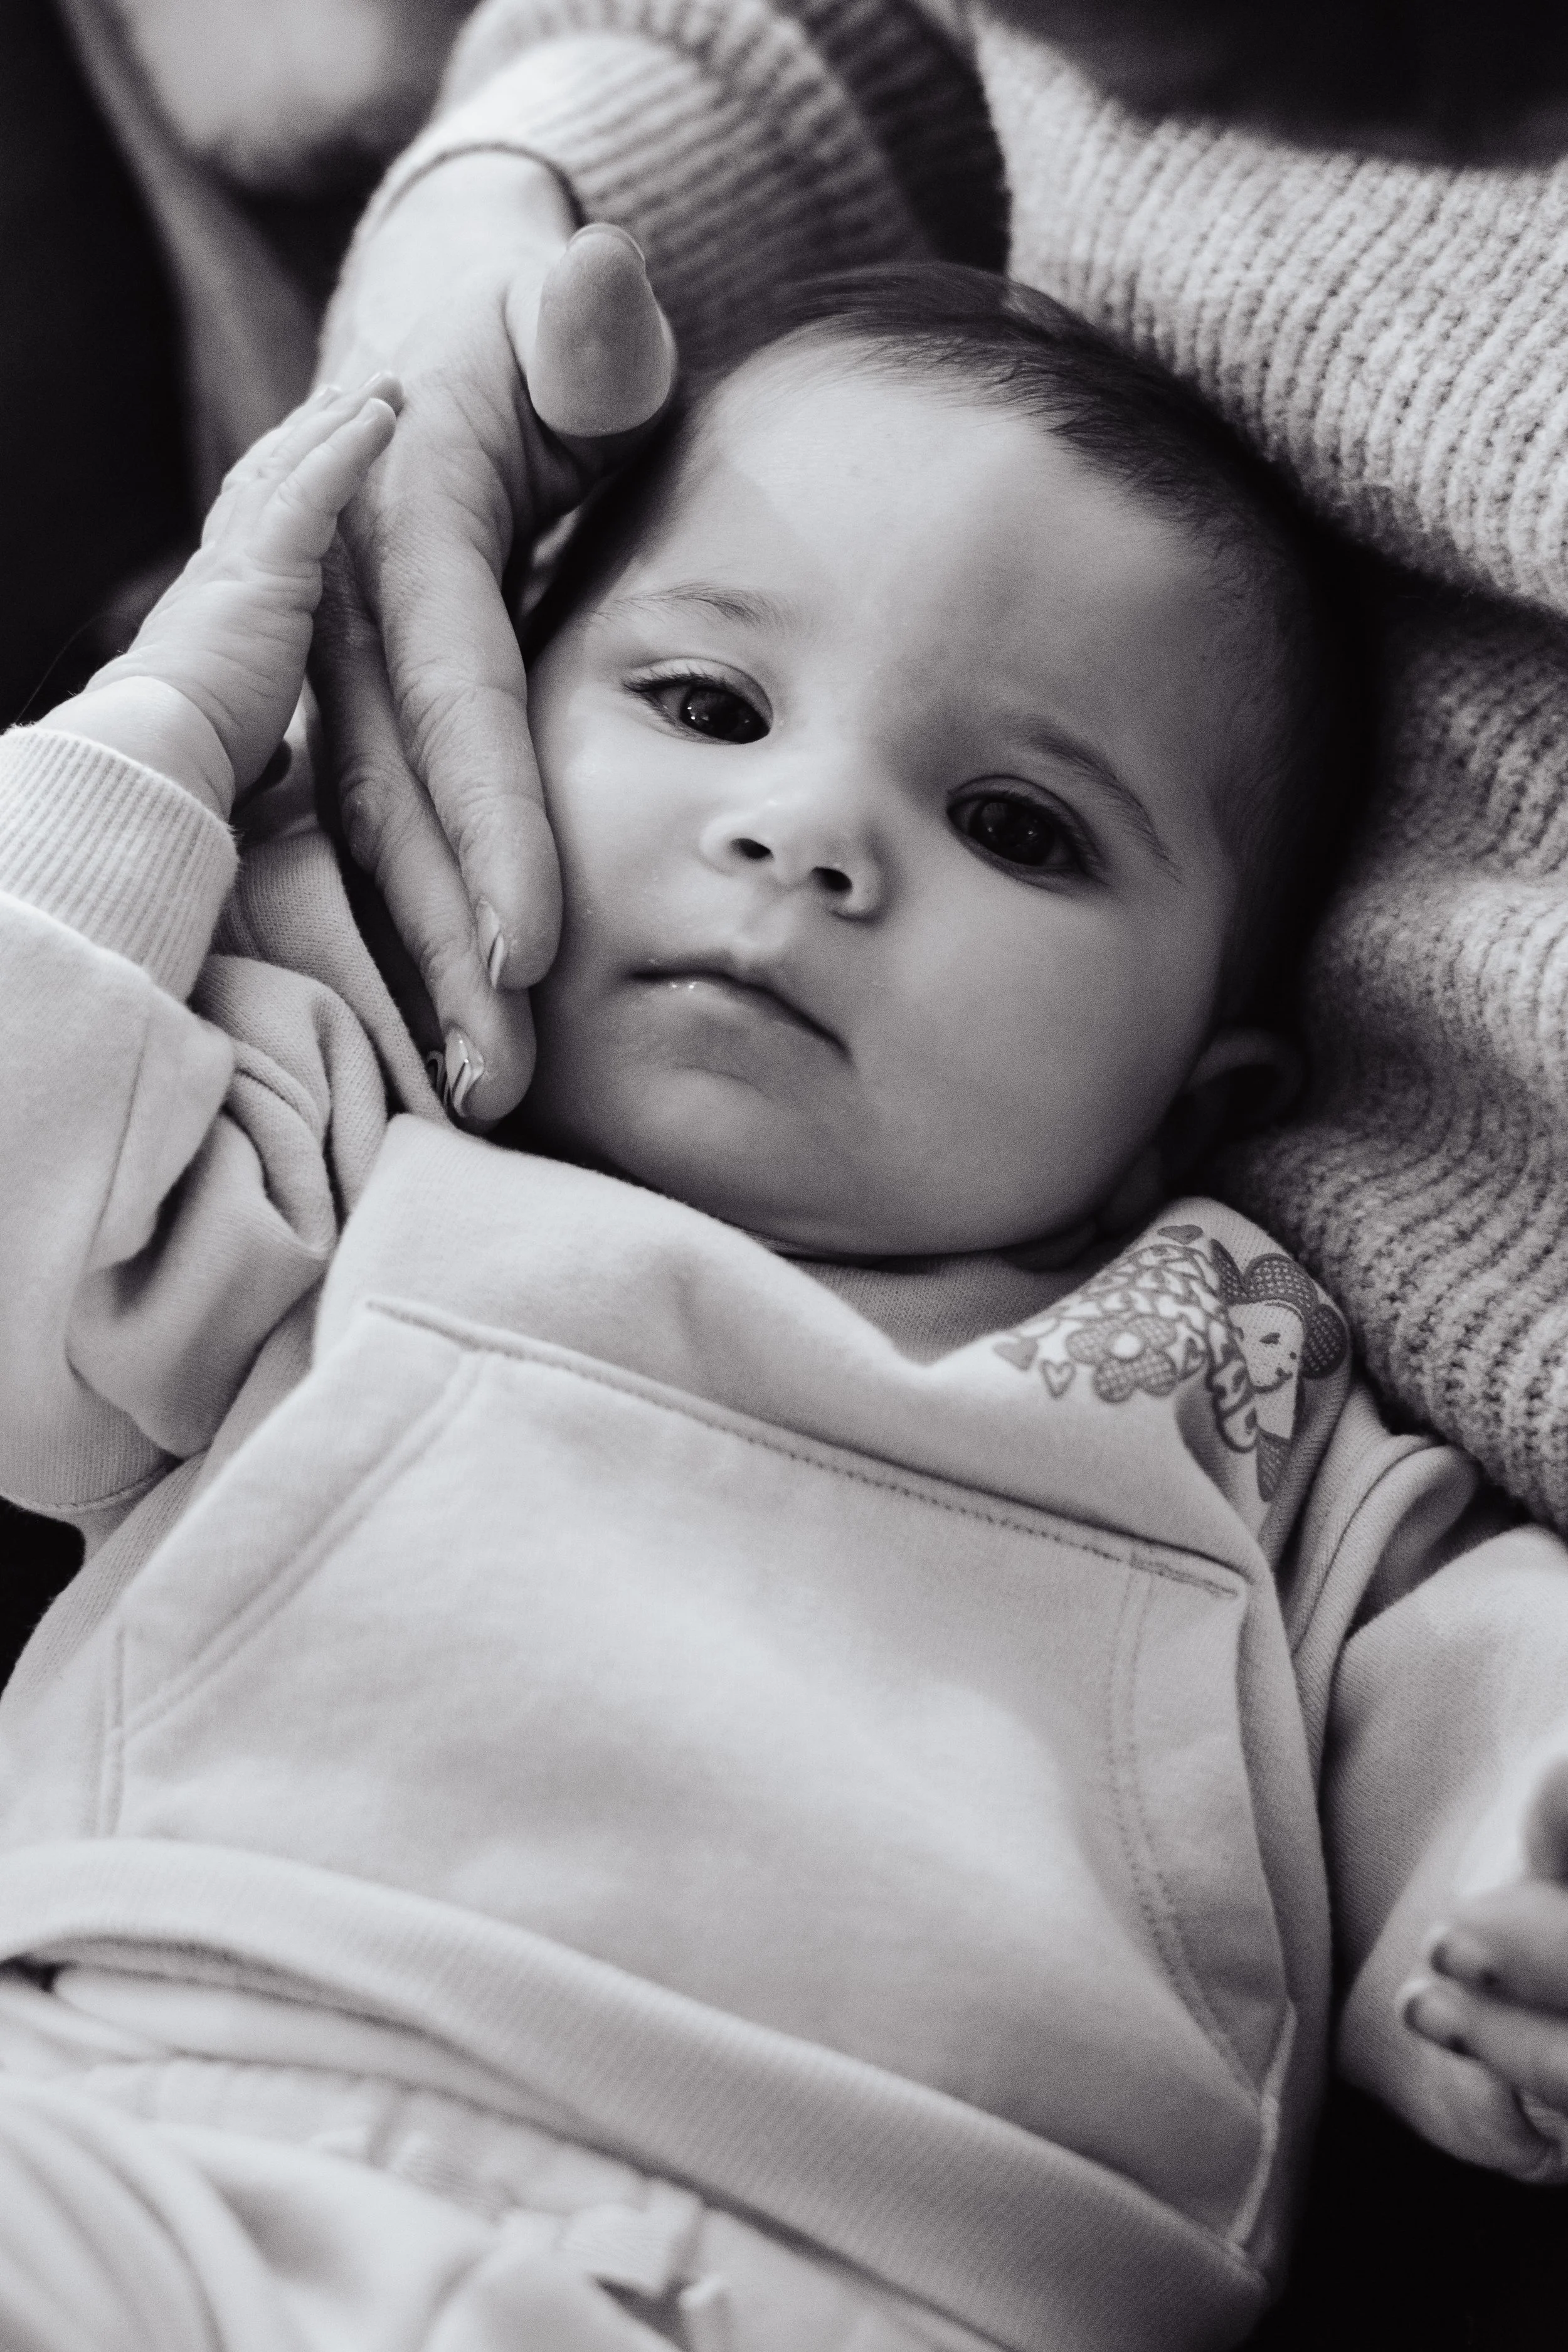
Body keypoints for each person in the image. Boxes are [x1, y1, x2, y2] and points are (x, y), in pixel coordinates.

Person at [4, 255, 1568, 2352]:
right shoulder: (333, 1153)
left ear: (1200, 1094)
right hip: (164, 2127)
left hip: (895, 2279)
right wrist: (163, 747)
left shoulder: (1229, 1373)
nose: (811, 831)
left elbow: (1473, 1677)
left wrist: (1508, 1884)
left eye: (1017, 824)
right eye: (709, 705)